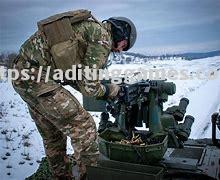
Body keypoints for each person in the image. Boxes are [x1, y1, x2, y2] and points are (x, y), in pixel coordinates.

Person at [12, 9, 136, 179]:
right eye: (125, 46)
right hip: (38, 79)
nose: (121, 51)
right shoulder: (102, 38)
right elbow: (90, 88)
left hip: (21, 76)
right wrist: (112, 90)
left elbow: (75, 78)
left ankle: (62, 176)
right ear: (122, 34)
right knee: (84, 127)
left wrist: (100, 89)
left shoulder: (88, 29)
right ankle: (89, 176)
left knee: (53, 136)